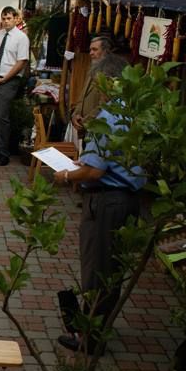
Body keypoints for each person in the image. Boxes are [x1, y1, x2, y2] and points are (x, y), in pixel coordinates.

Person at [53, 107, 145, 351]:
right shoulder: (136, 111)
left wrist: (66, 176)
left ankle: (90, 338)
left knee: (97, 269)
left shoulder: (109, 117)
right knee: (111, 268)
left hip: (107, 201)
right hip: (127, 199)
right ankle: (99, 328)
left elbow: (95, 171)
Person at [0, 6, 29, 166]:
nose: (6, 21)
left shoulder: (21, 38)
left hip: (9, 81)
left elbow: (21, 62)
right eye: (3, 18)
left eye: (9, 18)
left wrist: (4, 79)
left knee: (2, 116)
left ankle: (4, 153)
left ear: (16, 19)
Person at [69, 36, 128, 149]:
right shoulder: (93, 68)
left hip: (99, 129)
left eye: (95, 49)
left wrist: (86, 121)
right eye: (90, 50)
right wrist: (75, 114)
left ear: (106, 51)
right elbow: (83, 97)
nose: (91, 53)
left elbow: (106, 103)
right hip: (86, 127)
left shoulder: (110, 70)